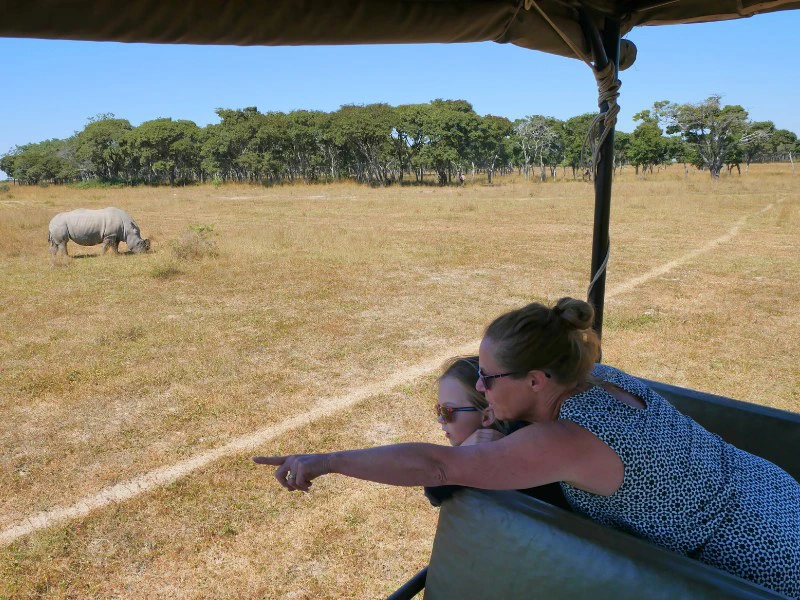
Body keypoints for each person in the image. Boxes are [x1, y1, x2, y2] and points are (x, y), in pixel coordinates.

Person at [254, 297, 800, 597]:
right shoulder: (598, 375)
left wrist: (326, 462)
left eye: (490, 378)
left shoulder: (564, 440)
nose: (481, 386)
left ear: (536, 379)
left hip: (763, 554)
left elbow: (439, 465)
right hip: (775, 492)